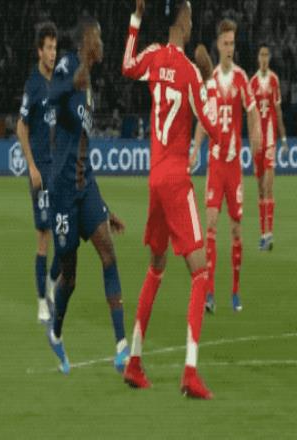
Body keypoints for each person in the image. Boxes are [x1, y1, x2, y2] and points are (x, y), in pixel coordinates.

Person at [121, 0, 220, 399]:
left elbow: (127, 65)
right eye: (190, 16)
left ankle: (134, 361)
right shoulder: (189, 71)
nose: (193, 22)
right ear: (182, 21)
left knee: (157, 267)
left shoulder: (153, 56)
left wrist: (135, 19)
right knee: (200, 272)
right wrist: (209, 79)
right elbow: (213, 125)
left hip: (155, 178)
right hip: (177, 180)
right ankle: (190, 372)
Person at [46, 15, 129, 375]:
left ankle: (122, 347)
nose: (103, 42)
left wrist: (104, 207)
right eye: (98, 36)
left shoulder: (91, 86)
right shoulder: (68, 65)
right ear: (85, 41)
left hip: (85, 187)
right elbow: (51, 96)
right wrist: (72, 80)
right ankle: (56, 331)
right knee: (70, 276)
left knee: (109, 253)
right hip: (63, 193)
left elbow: (83, 147)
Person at [191, 18, 261, 314]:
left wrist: (256, 134)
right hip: (216, 164)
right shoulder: (211, 82)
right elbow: (202, 121)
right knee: (209, 225)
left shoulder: (242, 79)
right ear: (218, 45)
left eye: (233, 43)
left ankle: (234, 291)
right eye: (226, 43)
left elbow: (253, 112)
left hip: (233, 167)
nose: (230, 48)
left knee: (235, 231)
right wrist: (195, 148)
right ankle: (209, 293)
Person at [17, 22, 60, 324]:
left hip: (59, 169)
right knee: (44, 237)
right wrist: (31, 166)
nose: (53, 53)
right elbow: (21, 127)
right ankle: (42, 301)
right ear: (39, 51)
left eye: (55, 48)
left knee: (66, 236)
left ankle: (52, 283)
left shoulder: (59, 81)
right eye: (49, 48)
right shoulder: (33, 85)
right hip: (41, 170)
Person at [250, 44, 289, 251]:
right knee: (259, 190)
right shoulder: (252, 82)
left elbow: (278, 111)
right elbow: (250, 116)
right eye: (261, 54)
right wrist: (251, 141)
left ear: (269, 57)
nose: (264, 58)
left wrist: (284, 139)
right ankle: (262, 233)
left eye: (266, 54)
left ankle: (269, 234)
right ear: (258, 58)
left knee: (268, 186)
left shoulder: (274, 80)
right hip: (257, 142)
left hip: (270, 139)